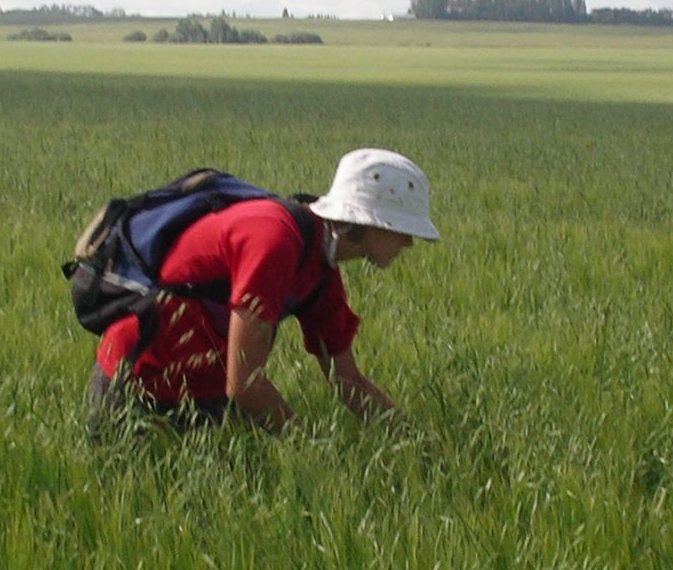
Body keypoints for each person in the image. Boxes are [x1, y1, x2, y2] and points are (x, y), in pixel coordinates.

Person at [87, 148, 438, 433]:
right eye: (401, 228)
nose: (408, 241)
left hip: (205, 396)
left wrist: (418, 443)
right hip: (134, 379)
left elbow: (347, 380)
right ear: (366, 220)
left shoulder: (321, 272)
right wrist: (309, 446)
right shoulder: (273, 239)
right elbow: (244, 384)